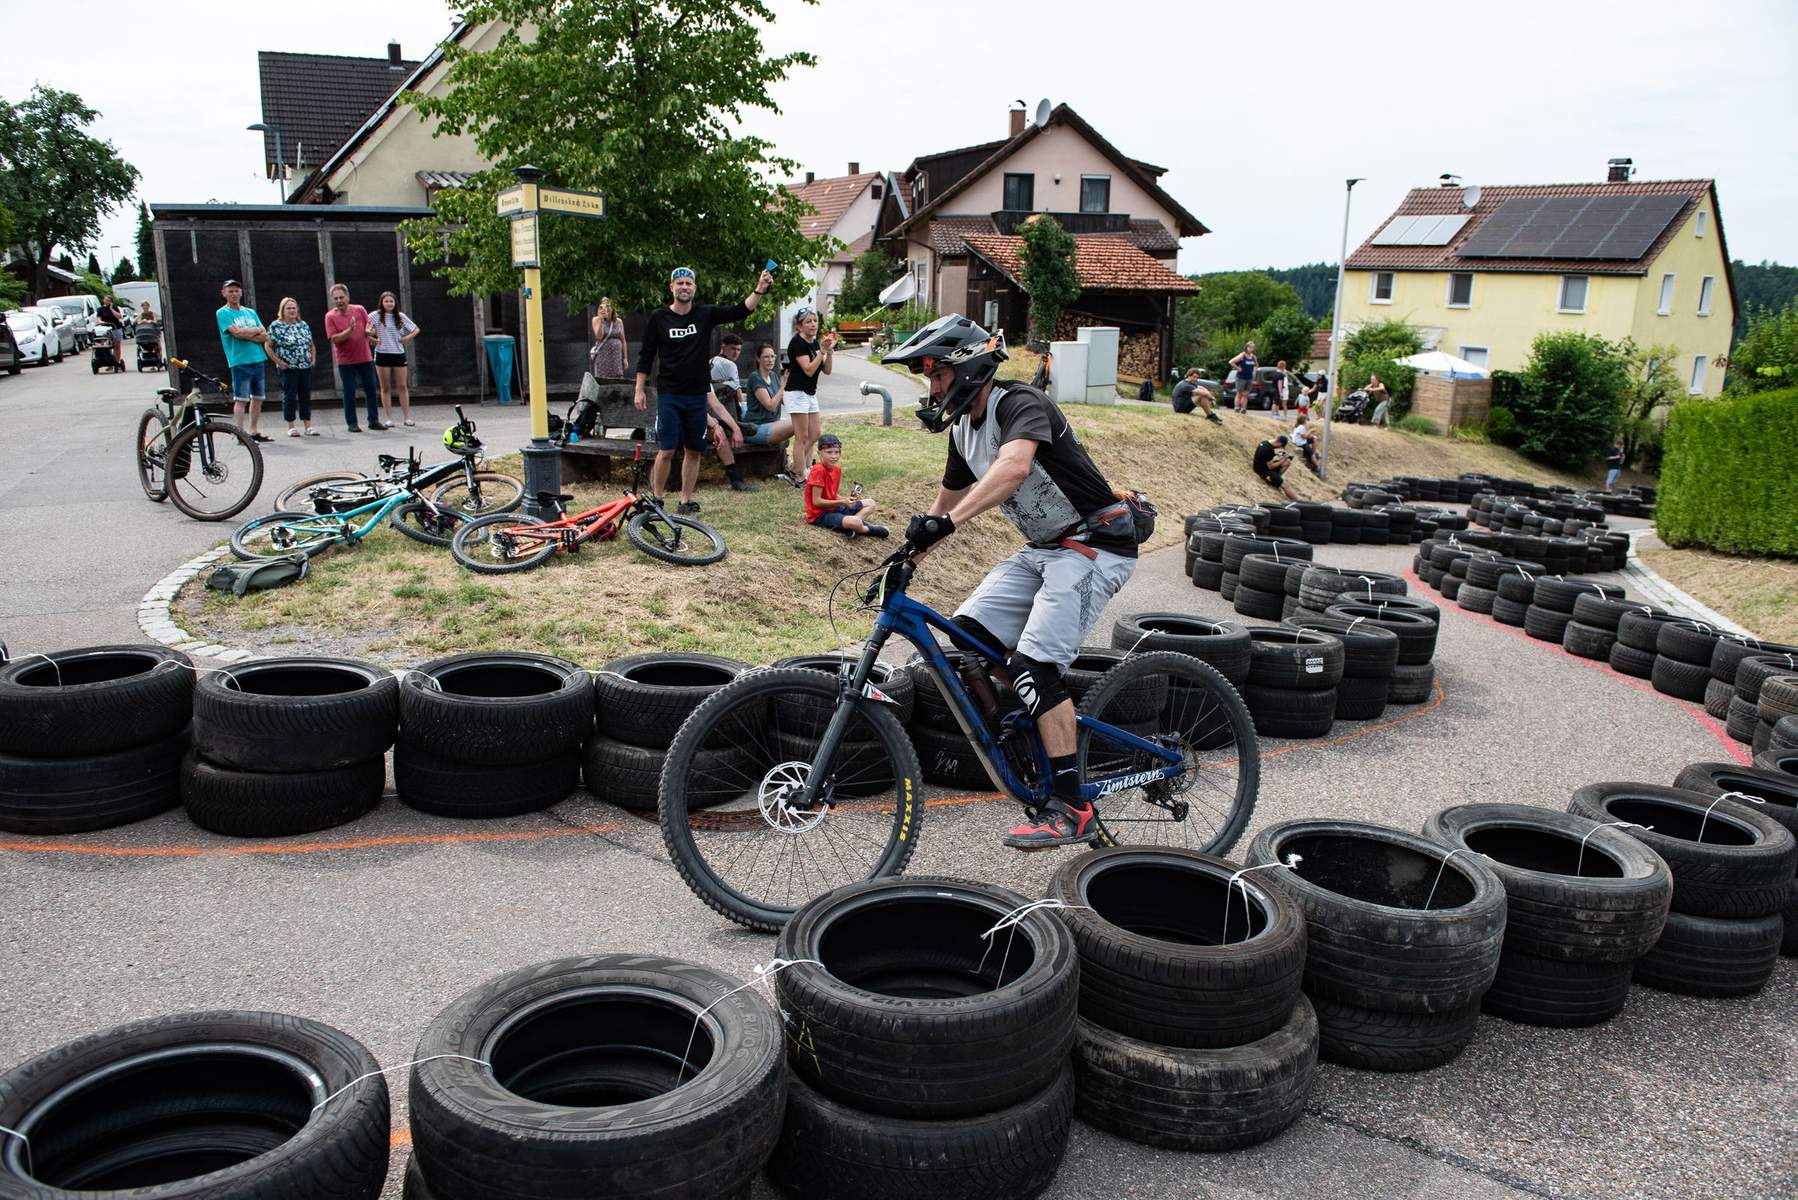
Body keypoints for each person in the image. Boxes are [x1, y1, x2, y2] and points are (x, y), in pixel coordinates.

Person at [883, 314, 1139, 849]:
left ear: (967, 368)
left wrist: (949, 524)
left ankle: (1072, 807)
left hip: (1094, 545)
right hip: (1046, 548)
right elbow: (946, 502)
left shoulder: (1021, 403)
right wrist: (910, 554)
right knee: (969, 633)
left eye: (937, 374)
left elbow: (1015, 467)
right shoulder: (963, 430)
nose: (933, 388)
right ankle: (1037, 719)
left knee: (1035, 667)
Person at [634, 265, 773, 514]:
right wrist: (639, 389)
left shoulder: (704, 314)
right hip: (669, 394)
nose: (684, 287)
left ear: (694, 288)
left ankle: (685, 501)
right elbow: (646, 355)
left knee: (694, 450)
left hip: (697, 396)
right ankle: (657, 499)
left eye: (688, 283)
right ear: (672, 287)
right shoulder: (659, 318)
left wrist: (760, 289)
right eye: (680, 283)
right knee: (666, 450)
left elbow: (740, 310)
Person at [215, 280, 273, 442]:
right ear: (224, 293)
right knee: (241, 399)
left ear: (241, 292)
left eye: (236, 291)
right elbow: (236, 333)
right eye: (230, 291)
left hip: (258, 358)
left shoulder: (250, 312)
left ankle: (253, 431)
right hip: (240, 361)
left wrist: (248, 334)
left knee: (258, 397)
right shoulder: (223, 313)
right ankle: (240, 434)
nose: (234, 294)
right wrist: (254, 331)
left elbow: (265, 335)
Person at [324, 285, 384, 433]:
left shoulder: (359, 309)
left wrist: (370, 335)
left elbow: (369, 327)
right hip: (346, 361)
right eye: (336, 298)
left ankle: (373, 420)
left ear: (348, 297)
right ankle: (352, 423)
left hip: (365, 357)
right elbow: (334, 339)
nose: (339, 300)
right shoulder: (330, 316)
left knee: (371, 389)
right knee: (349, 392)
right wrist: (349, 330)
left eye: (341, 297)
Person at [784, 307, 835, 483]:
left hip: (810, 393)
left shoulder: (814, 343)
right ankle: (798, 476)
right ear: (799, 326)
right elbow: (808, 370)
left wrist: (829, 352)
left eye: (815, 321)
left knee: (815, 434)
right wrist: (821, 351)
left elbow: (827, 370)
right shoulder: (797, 343)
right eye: (808, 322)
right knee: (802, 436)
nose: (813, 324)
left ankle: (795, 467)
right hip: (796, 392)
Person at [804, 433, 886, 538]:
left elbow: (831, 495)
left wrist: (846, 500)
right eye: (829, 452)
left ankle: (850, 528)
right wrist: (842, 502)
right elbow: (817, 502)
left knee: (871, 503)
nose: (833, 456)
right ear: (819, 453)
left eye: (837, 452)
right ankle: (865, 529)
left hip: (834, 508)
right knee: (855, 521)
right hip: (820, 515)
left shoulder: (837, 470)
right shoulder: (818, 470)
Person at [705, 333, 758, 492]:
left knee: (726, 429)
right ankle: (735, 477)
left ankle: (735, 477)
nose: (736, 353)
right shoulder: (730, 365)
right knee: (749, 429)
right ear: (723, 347)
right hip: (712, 416)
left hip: (714, 415)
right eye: (733, 349)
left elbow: (715, 402)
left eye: (738, 350)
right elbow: (737, 392)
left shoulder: (710, 362)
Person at [266, 297, 319, 437]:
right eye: (288, 308)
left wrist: (313, 359)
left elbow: (311, 344)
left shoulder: (303, 325)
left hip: (305, 366)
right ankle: (291, 426)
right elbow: (268, 346)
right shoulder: (276, 326)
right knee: (290, 396)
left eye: (294, 308)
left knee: (305, 395)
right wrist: (278, 362)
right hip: (288, 368)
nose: (291, 310)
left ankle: (308, 425)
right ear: (282, 310)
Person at [370, 291, 420, 427]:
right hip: (382, 354)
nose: (389, 304)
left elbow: (416, 329)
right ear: (381, 303)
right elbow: (365, 329)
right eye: (386, 301)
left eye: (391, 301)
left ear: (395, 303)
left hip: (398, 354)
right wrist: (371, 337)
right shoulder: (375, 316)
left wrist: (407, 338)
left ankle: (407, 417)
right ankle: (389, 418)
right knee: (385, 387)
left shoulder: (400, 316)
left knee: (402, 386)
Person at [742, 343, 796, 460]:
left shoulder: (773, 375)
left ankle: (805, 465)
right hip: (756, 427)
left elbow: (783, 400)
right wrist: (784, 385)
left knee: (805, 421)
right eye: (766, 357)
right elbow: (770, 406)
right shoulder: (755, 377)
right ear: (758, 359)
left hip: (773, 423)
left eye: (772, 356)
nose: (770, 360)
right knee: (797, 424)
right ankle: (798, 467)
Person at [589, 297, 628, 380]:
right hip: (603, 356)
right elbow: (599, 336)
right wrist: (601, 320)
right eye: (603, 306)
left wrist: (625, 358)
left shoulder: (618, 321)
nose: (606, 308)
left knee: (617, 378)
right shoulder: (596, 320)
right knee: (603, 379)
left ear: (613, 308)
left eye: (608, 306)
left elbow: (623, 340)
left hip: (616, 357)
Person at [1254, 435, 1298, 499]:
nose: (1280, 448)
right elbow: (1270, 467)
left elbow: (1268, 457)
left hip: (1261, 466)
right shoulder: (1269, 450)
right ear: (1279, 443)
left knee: (1287, 462)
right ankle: (1298, 502)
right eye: (1281, 447)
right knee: (1286, 486)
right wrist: (1283, 459)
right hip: (1263, 472)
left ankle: (1276, 479)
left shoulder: (1265, 443)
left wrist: (1281, 455)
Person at [1229, 339, 1258, 414]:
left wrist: (1254, 371)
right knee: (1239, 393)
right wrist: (1238, 368)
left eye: (1252, 347)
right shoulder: (1242, 355)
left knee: (1246, 394)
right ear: (1246, 347)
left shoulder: (1253, 357)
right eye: (1250, 347)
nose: (1251, 349)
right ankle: (1236, 408)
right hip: (1241, 377)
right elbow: (1231, 362)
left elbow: (1256, 365)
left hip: (1249, 378)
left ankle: (1243, 409)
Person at [98, 295, 128, 367]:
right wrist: (101, 322)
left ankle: (117, 362)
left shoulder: (114, 307)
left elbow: (119, 316)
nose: (107, 301)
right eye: (106, 300)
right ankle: (110, 362)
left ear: (111, 302)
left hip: (116, 328)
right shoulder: (100, 309)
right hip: (106, 329)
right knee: (107, 346)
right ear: (103, 300)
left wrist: (111, 309)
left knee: (117, 346)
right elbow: (99, 318)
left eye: (108, 300)